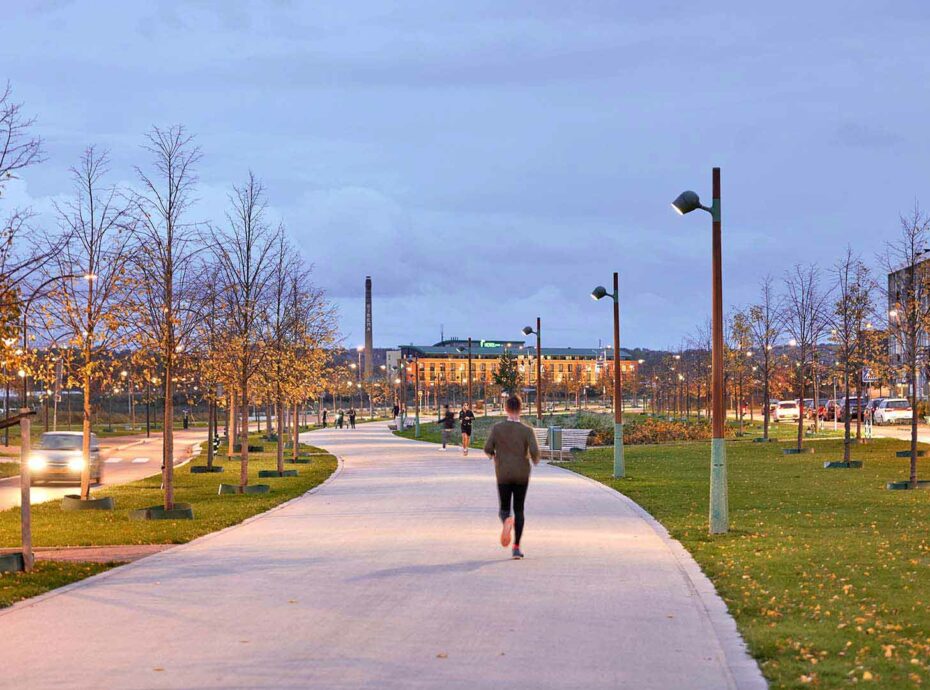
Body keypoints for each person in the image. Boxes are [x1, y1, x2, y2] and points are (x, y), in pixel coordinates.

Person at [483, 395, 539, 560]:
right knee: (520, 509)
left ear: (506, 409)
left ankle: (507, 520)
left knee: (505, 508)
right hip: (522, 473)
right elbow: (535, 453)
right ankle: (516, 547)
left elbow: (487, 448)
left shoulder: (497, 428)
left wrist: (494, 456)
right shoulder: (527, 430)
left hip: (503, 473)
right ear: (520, 409)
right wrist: (533, 459)